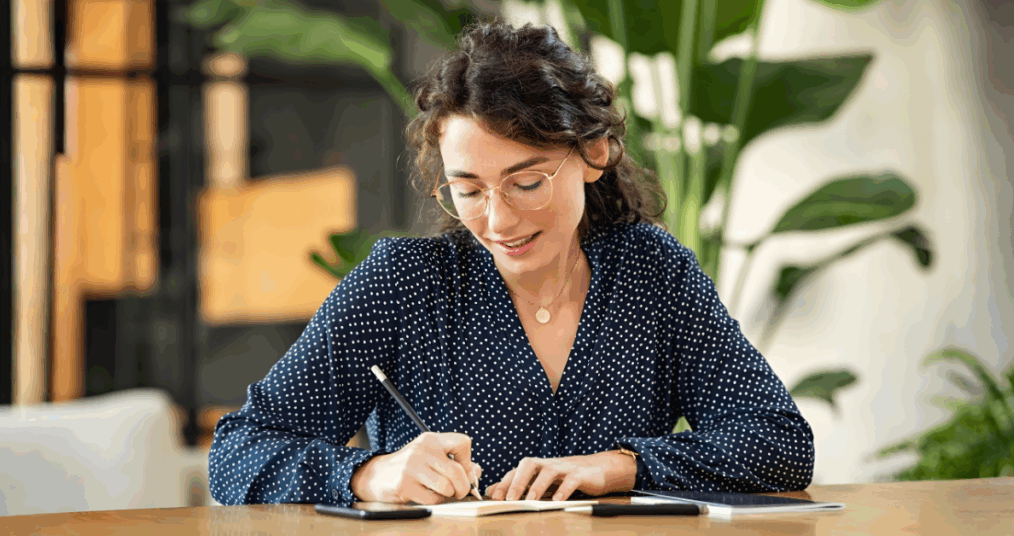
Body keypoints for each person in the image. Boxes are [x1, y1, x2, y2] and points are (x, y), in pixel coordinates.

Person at [208, 20, 814, 507]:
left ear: (594, 152)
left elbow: (779, 441)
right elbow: (237, 453)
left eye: (526, 182)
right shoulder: (402, 283)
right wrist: (371, 475)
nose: (498, 221)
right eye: (469, 190)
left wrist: (620, 467)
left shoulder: (652, 274)